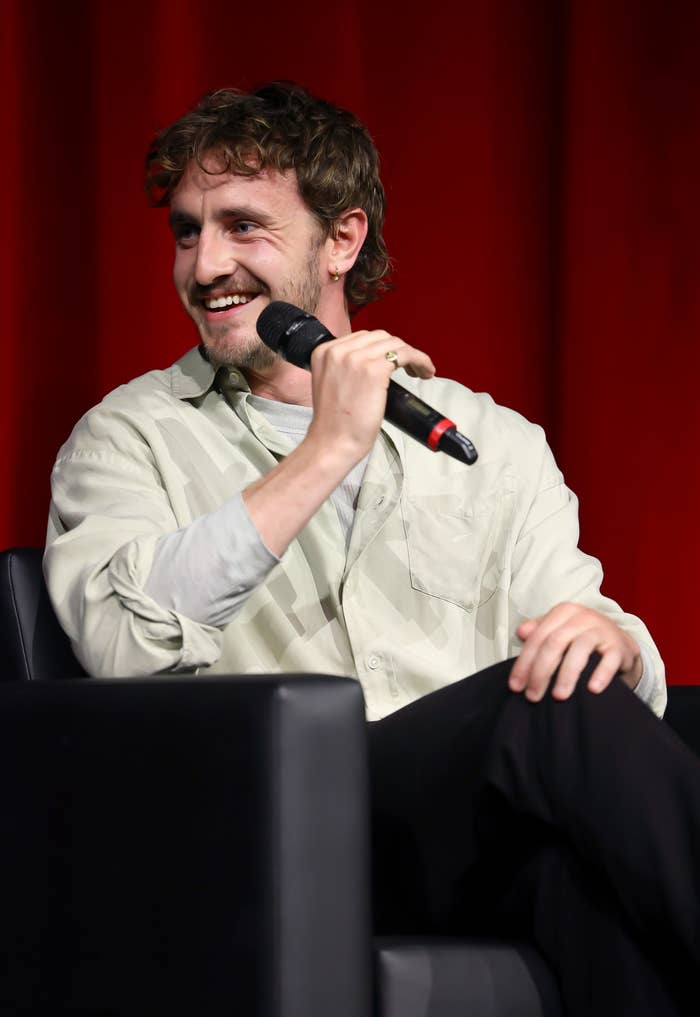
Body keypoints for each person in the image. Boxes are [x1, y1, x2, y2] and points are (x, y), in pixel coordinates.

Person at [45, 82, 698, 1015]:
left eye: (243, 226)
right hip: (269, 839)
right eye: (188, 232)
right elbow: (120, 641)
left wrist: (616, 640)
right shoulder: (129, 436)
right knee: (548, 718)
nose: (205, 266)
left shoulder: (489, 439)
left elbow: (582, 625)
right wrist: (325, 449)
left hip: (468, 836)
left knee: (590, 884)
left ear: (341, 241)